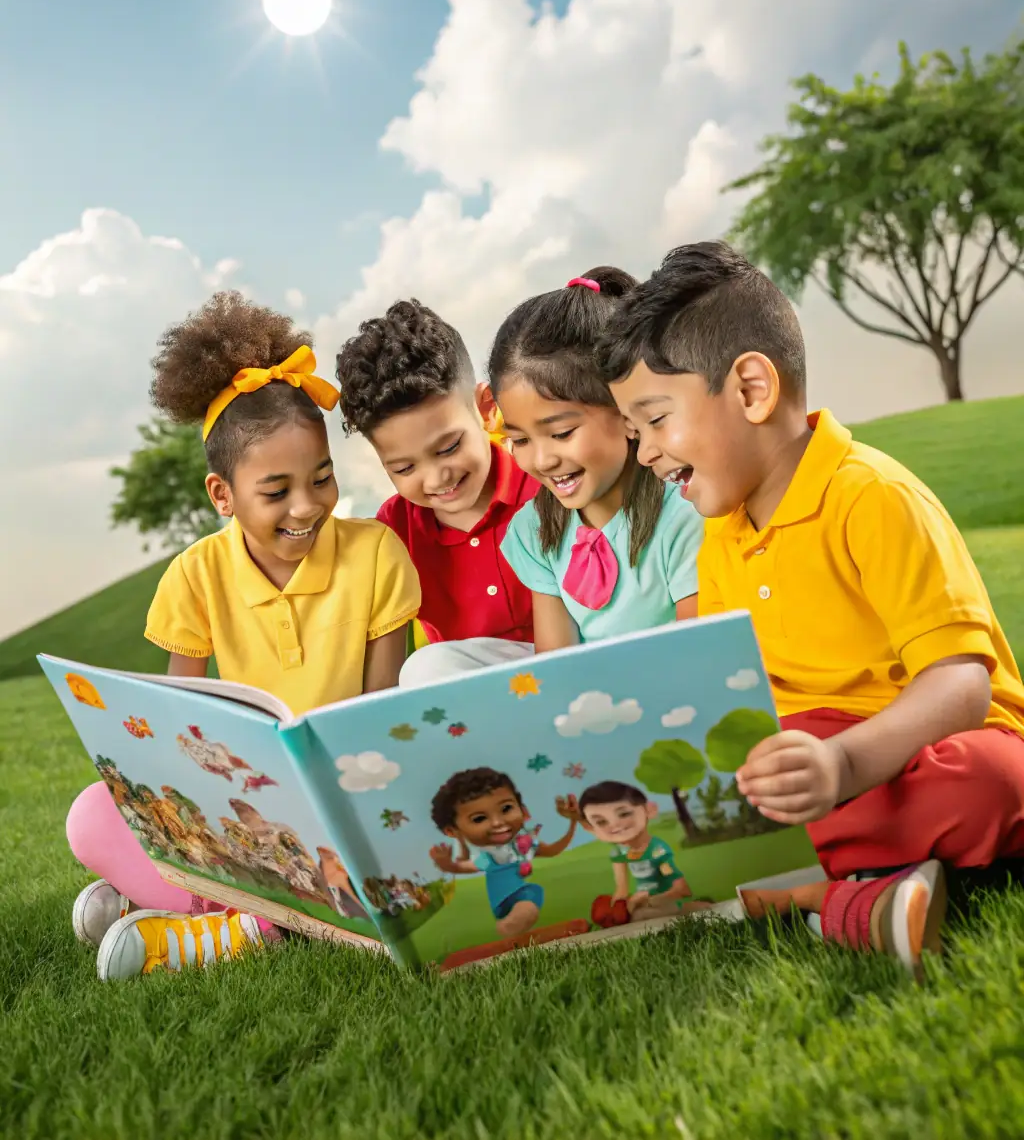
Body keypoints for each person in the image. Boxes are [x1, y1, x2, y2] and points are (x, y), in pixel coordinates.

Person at [600, 239, 1024, 975]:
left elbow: (962, 684)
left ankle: (791, 889)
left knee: (997, 781)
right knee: (720, 793)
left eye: (657, 420)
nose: (644, 453)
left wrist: (845, 763)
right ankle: (859, 894)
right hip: (808, 756)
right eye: (634, 433)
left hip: (927, 745)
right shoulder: (719, 534)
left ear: (752, 390)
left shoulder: (871, 496)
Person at [66, 291, 421, 981]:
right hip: (244, 811)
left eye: (321, 478)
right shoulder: (194, 576)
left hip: (351, 798)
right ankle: (237, 908)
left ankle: (212, 920)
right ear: (222, 495)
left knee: (376, 847)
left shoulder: (376, 553)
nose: (307, 506)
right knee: (91, 816)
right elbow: (180, 729)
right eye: (277, 490)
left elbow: (380, 715)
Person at [490, 270, 705, 653]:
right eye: (520, 439)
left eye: (561, 434)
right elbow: (556, 662)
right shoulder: (535, 529)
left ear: (626, 414)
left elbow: (697, 654)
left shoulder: (685, 517)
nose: (541, 460)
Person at [335, 299, 538, 688]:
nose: (436, 478)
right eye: (404, 468)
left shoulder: (540, 483)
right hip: (468, 697)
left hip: (569, 662)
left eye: (448, 448)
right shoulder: (393, 531)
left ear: (486, 408)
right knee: (424, 668)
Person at [428, 767, 578, 937]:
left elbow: (553, 850)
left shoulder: (526, 843)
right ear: (452, 830)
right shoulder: (489, 855)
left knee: (531, 897)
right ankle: (508, 928)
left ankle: (514, 931)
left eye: (506, 809)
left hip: (521, 894)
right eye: (479, 819)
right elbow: (464, 867)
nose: (498, 822)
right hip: (505, 898)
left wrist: (573, 822)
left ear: (521, 808)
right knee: (530, 900)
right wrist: (445, 864)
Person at [576, 780, 711, 927]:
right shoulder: (619, 853)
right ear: (589, 827)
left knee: (641, 916)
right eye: (601, 822)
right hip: (642, 904)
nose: (614, 825)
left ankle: (693, 907)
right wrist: (616, 908)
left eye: (624, 814)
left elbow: (681, 889)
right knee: (632, 917)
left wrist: (648, 898)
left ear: (649, 810)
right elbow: (622, 890)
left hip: (661, 901)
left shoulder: (656, 851)